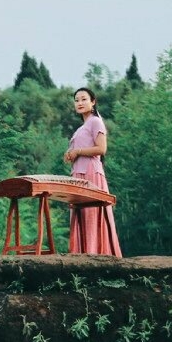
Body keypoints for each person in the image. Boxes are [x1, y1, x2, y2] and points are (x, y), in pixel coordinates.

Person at [62, 87, 122, 256]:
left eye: (83, 99)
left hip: (91, 173)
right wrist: (71, 154)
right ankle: (81, 254)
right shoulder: (82, 127)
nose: (79, 103)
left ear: (93, 102)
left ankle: (96, 254)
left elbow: (101, 148)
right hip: (79, 173)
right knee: (80, 213)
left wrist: (78, 151)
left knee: (91, 213)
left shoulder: (95, 121)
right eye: (76, 100)